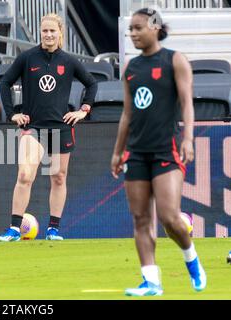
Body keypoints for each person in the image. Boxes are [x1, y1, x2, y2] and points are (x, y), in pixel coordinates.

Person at [110, 8, 206, 296]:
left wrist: (188, 138)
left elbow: (187, 103)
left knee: (168, 216)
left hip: (167, 148)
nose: (133, 34)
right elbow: (127, 113)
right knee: (140, 218)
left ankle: (191, 258)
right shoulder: (131, 68)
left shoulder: (174, 60)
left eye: (138, 28)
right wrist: (118, 152)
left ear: (155, 27)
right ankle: (151, 281)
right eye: (131, 30)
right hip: (136, 152)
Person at [0, 13, 97, 242]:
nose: (48, 35)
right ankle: (13, 229)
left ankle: (53, 229)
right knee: (24, 175)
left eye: (52, 31)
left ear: (60, 32)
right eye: (44, 31)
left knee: (58, 177)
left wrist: (83, 110)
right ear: (40, 33)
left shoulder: (68, 61)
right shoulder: (27, 58)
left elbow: (91, 84)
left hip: (61, 127)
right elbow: (4, 82)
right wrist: (12, 114)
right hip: (33, 127)